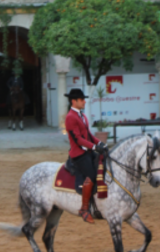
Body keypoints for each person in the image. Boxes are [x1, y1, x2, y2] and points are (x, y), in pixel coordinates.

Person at [64, 88, 106, 224]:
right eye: (82, 100)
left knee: (104, 164)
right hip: (78, 155)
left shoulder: (82, 115)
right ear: (74, 101)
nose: (84, 102)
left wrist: (100, 143)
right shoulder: (70, 117)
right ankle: (84, 208)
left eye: (84, 99)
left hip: (87, 151)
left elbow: (88, 135)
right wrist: (94, 147)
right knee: (92, 176)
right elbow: (78, 140)